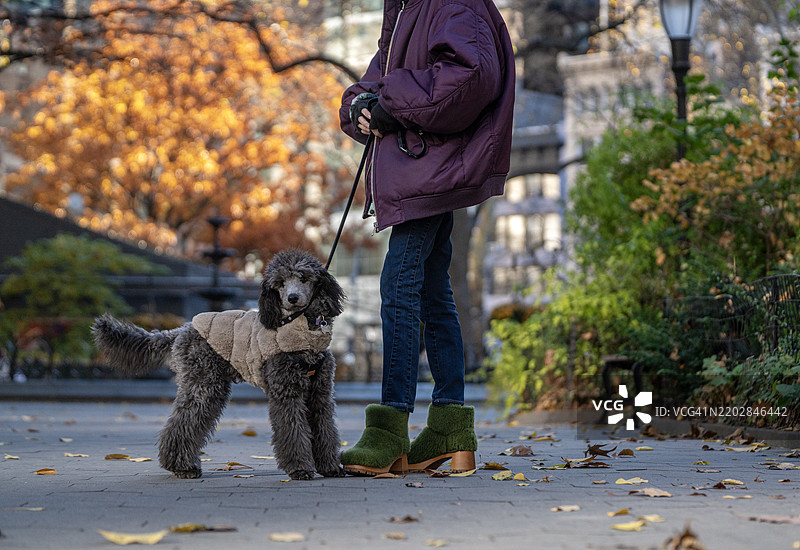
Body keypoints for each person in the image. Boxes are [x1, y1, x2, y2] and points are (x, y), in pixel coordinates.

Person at [338, 0, 515, 475]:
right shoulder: (407, 9)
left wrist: (391, 106)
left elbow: (472, 75)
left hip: (430, 168)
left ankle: (389, 429)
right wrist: (360, 106)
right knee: (434, 293)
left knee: (399, 285)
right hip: (420, 166)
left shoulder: (453, 3)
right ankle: (450, 430)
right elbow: (378, 77)